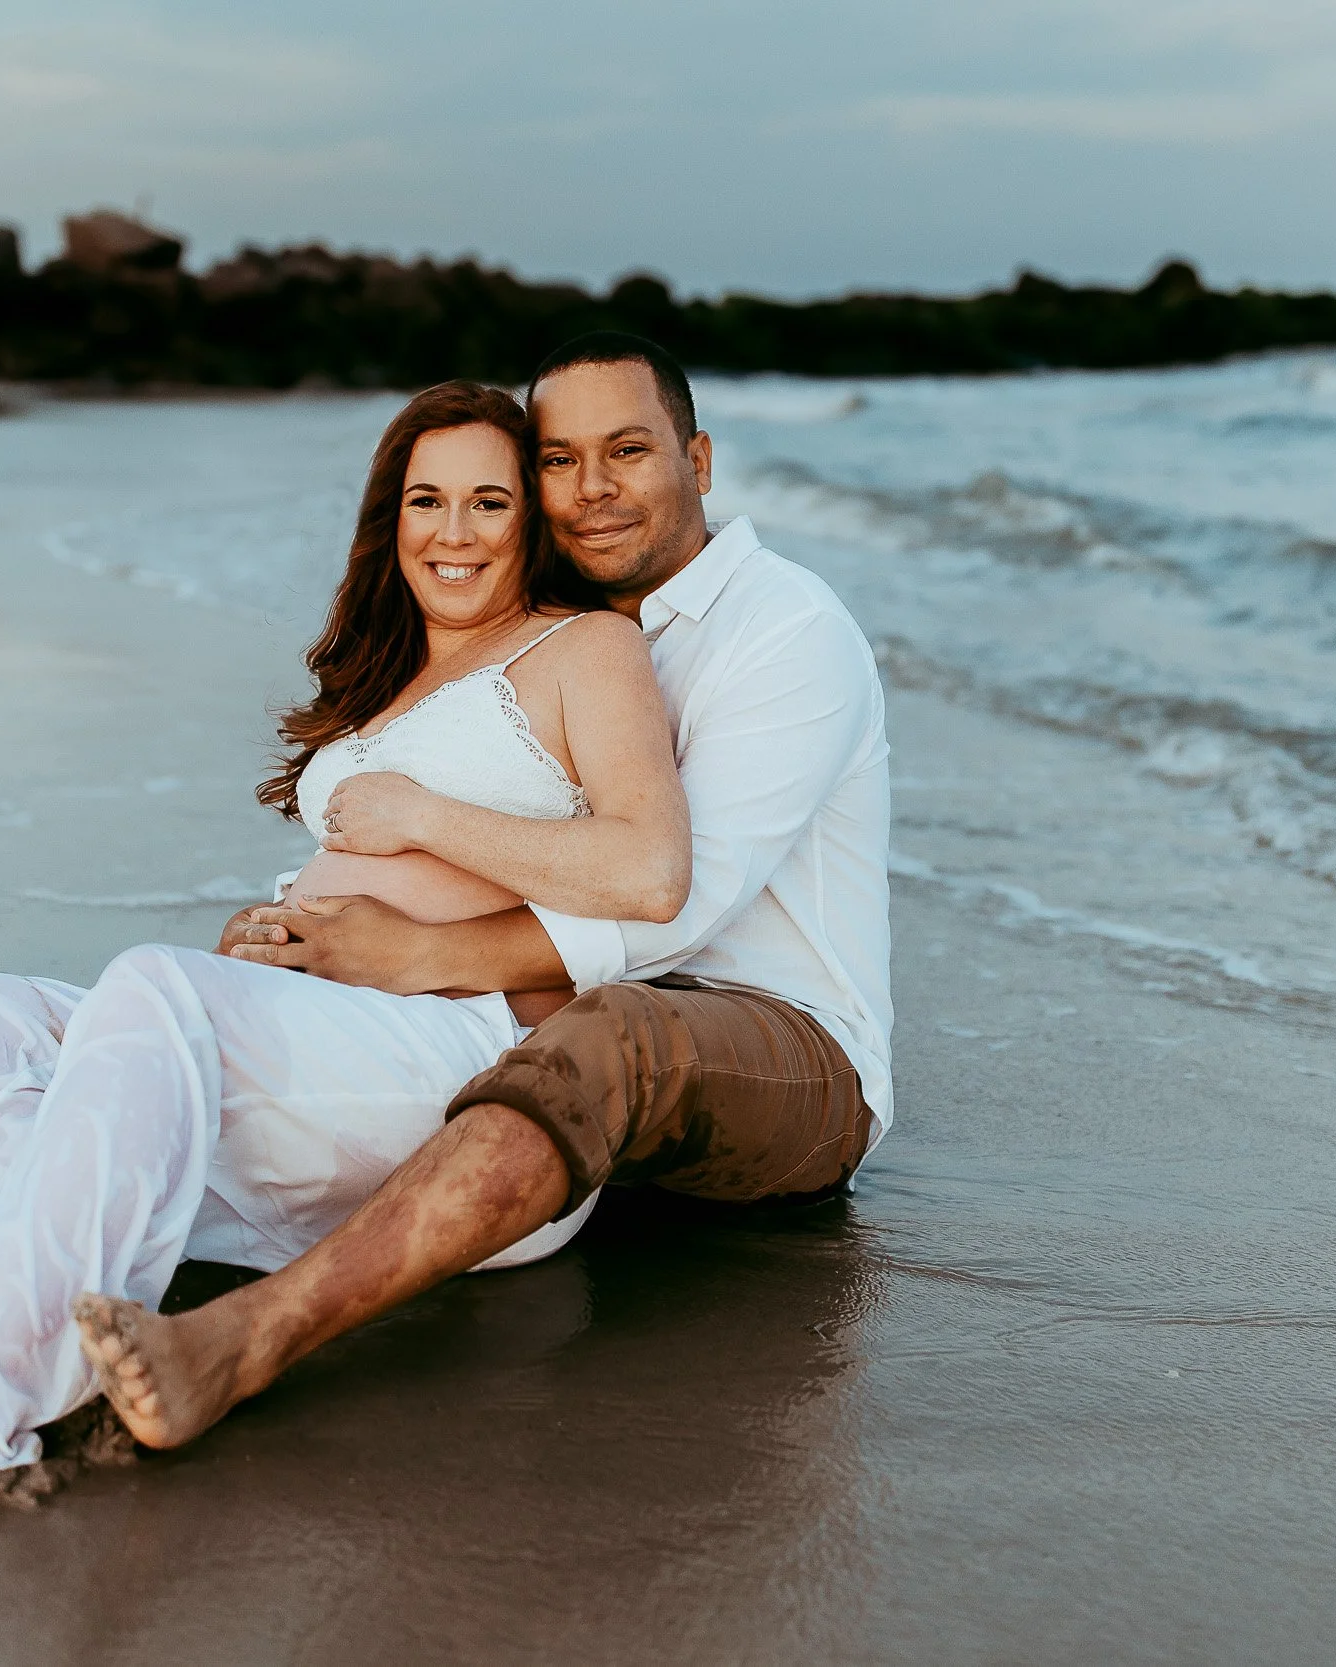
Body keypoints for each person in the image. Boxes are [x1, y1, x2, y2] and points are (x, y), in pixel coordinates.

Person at [0, 377, 691, 1506]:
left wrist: (419, 816)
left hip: (457, 1064)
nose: (453, 531)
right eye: (425, 500)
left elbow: (651, 871)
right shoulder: (390, 680)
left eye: (488, 501)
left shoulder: (583, 649)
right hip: (329, 1053)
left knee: (149, 990)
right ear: (390, 520)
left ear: (529, 517)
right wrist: (270, 933)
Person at [71, 332, 893, 1451]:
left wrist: (417, 954)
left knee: (616, 1035)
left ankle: (244, 1337)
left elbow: (676, 905)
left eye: (628, 450)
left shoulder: (784, 632)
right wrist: (307, 937)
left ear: (697, 461)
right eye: (559, 460)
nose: (591, 490)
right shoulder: (562, 628)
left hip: (783, 1048)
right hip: (564, 1024)